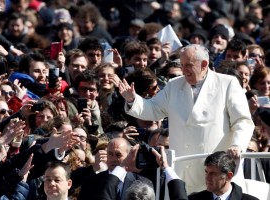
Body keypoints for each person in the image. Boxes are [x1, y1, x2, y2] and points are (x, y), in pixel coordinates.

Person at [119, 44, 254, 193]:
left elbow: (243, 121)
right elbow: (153, 109)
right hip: (185, 169)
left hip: (216, 168)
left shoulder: (227, 83)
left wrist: (237, 145)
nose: (184, 70)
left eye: (188, 65)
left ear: (204, 64)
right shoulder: (174, 85)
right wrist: (132, 100)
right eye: (182, 65)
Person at [78, 137, 153, 200]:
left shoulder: (142, 182)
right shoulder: (90, 182)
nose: (113, 159)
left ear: (128, 156)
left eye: (118, 155)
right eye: (110, 154)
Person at [188, 151, 258, 200]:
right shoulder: (193, 198)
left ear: (229, 176)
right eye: (206, 172)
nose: (207, 178)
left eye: (213, 174)